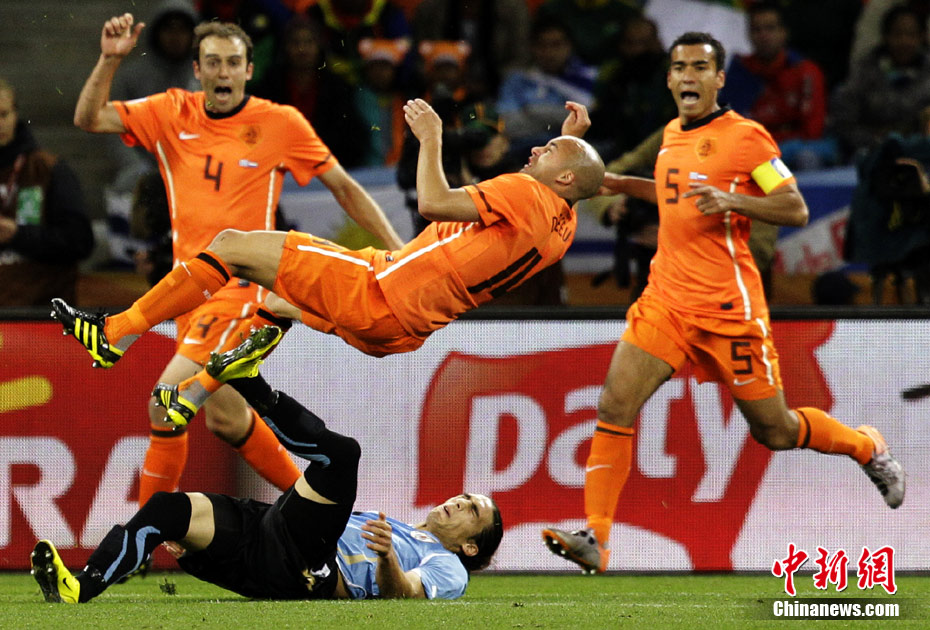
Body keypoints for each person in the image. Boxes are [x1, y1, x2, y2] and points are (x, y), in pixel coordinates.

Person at [541, 32, 906, 575]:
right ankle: (596, 536)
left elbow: (795, 207)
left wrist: (733, 199)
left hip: (729, 311)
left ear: (718, 79)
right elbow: (674, 196)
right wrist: (618, 183)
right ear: (669, 79)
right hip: (667, 300)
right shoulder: (671, 134)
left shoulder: (746, 138)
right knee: (615, 406)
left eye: (699, 67)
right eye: (679, 67)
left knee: (775, 431)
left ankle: (864, 446)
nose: (687, 75)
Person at [51, 98, 603, 427]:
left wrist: (430, 139)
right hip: (404, 329)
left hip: (378, 289)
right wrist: (570, 142)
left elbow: (434, 202)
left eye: (548, 150)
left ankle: (116, 333)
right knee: (275, 303)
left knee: (232, 245)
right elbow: (575, 179)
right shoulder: (563, 226)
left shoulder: (527, 193)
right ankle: (194, 395)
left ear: (561, 177)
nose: (535, 149)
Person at [72, 14, 403, 511]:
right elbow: (89, 119)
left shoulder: (280, 123)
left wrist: (397, 246)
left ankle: (146, 533)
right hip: (188, 292)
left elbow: (344, 187)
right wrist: (109, 59)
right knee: (226, 419)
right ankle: (313, 510)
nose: (222, 72)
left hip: (242, 291)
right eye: (212, 63)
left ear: (249, 70)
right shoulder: (169, 111)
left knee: (165, 403)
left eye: (232, 62)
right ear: (197, 70)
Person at [31, 327, 503, 602]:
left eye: (471, 511)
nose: (458, 502)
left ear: (470, 546)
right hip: (266, 548)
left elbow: (405, 597)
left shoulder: (449, 566)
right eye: (465, 497)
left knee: (343, 455)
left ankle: (251, 382)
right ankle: (80, 587)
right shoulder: (399, 526)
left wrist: (387, 560)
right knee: (165, 511)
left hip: (309, 565)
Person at [0, 78, 94, 306]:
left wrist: (18, 235)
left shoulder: (49, 169)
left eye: (3, 114)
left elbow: (79, 241)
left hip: (38, 312)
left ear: (15, 114)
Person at [720, 2, 836, 170]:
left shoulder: (805, 71)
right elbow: (727, 125)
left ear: (784, 32)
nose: (763, 36)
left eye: (770, 28)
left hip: (792, 151)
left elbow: (812, 130)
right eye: (756, 30)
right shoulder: (740, 71)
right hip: (749, 152)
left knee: (808, 156)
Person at [832, 5, 930, 161]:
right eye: (898, 34)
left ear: (922, 36)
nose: (904, 41)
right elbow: (844, 121)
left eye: (911, 34)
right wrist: (878, 143)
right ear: (885, 36)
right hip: (868, 153)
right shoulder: (864, 71)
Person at [496, 17, 597, 159]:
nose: (549, 52)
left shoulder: (588, 77)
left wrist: (532, 111)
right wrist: (557, 120)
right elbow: (507, 125)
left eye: (556, 45)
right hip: (522, 152)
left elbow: (588, 118)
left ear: (569, 46)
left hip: (570, 155)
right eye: (542, 45)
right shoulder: (517, 80)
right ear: (532, 47)